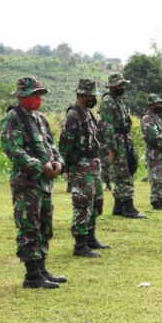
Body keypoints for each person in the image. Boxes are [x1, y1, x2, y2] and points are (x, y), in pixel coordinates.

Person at [0, 76, 65, 289]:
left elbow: (51, 145)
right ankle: (31, 275)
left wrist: (58, 163)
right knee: (29, 226)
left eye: (39, 94)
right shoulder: (13, 118)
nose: (38, 98)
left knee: (45, 226)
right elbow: (13, 149)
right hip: (26, 183)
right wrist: (40, 166)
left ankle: (41, 267)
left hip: (44, 184)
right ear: (21, 95)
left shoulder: (40, 118)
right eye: (34, 94)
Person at [58, 78, 109, 258]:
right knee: (83, 203)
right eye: (90, 95)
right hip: (80, 166)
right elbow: (64, 143)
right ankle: (80, 245)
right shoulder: (74, 115)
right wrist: (66, 167)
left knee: (96, 202)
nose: (93, 98)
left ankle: (90, 238)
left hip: (93, 164)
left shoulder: (88, 114)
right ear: (81, 95)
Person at [99, 72, 145, 219]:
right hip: (117, 142)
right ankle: (129, 208)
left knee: (122, 174)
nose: (122, 87)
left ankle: (118, 207)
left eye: (123, 84)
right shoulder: (108, 101)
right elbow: (107, 126)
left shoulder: (118, 101)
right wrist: (112, 148)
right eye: (119, 85)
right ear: (112, 86)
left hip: (124, 140)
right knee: (124, 175)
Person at [140, 93, 162, 210]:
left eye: (161, 103)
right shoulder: (147, 118)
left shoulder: (156, 119)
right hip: (155, 154)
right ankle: (157, 203)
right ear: (151, 105)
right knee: (157, 180)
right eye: (158, 103)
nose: (160, 105)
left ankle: (160, 201)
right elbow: (154, 136)